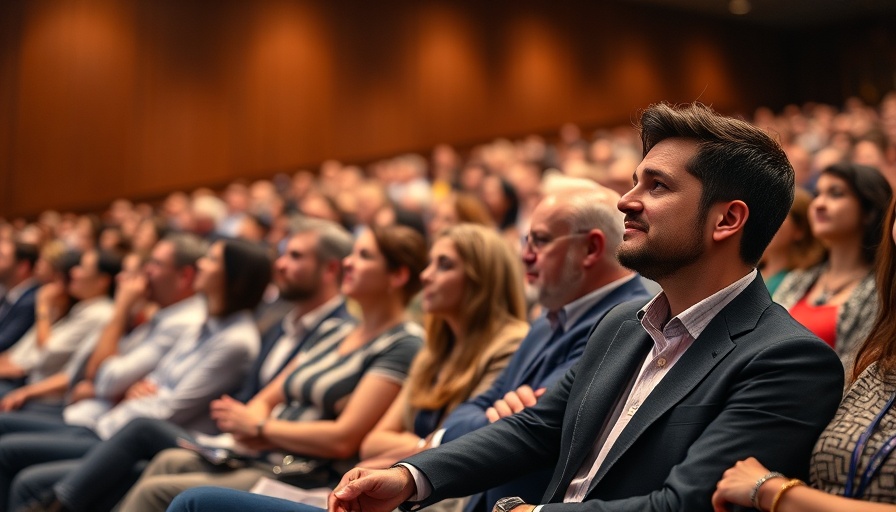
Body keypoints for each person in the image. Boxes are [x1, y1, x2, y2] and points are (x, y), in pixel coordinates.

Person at [324, 102, 845, 512]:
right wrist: (411, 476)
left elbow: (685, 505)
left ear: (726, 220)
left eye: (656, 186)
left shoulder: (786, 360)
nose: (625, 200)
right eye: (635, 180)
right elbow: (538, 427)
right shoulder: (623, 323)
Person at [164, 186, 655, 512]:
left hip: (460, 499)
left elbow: (528, 428)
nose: (525, 254)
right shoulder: (542, 323)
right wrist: (458, 431)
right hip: (426, 489)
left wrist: (441, 440)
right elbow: (475, 419)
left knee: (192, 500)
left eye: (540, 241)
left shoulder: (616, 321)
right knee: (171, 472)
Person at [27, 225, 425, 512]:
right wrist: (252, 421)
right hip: (259, 449)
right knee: (165, 461)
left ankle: (58, 504)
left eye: (364, 256)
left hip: (301, 468)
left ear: (398, 276)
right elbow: (265, 396)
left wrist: (260, 428)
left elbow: (344, 439)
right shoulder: (336, 329)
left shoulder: (403, 342)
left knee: (164, 489)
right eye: (351, 254)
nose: (349, 264)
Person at [0, 238, 269, 510]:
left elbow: (167, 408)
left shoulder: (234, 340)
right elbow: (134, 381)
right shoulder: (203, 324)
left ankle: (58, 503)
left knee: (24, 472)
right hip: (113, 423)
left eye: (212, 260)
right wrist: (135, 388)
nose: (201, 263)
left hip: (156, 439)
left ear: (235, 277)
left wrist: (134, 387)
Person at [712, 196, 896, 512]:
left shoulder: (864, 305)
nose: (821, 204)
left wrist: (775, 492)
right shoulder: (879, 353)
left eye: (837, 193)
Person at [356, 223, 529, 472]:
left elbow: (463, 444)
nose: (426, 275)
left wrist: (423, 444)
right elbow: (371, 443)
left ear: (481, 279)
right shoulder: (435, 349)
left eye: (444, 265)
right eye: (430, 263)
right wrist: (425, 444)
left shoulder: (511, 344)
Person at [774, 163, 892, 371]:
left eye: (835, 194)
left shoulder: (882, 291)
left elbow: (856, 374)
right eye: (817, 194)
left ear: (868, 211)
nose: (819, 203)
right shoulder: (798, 278)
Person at [0, 249, 120, 397]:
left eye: (82, 268)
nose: (74, 273)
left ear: (103, 281)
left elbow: (47, 352)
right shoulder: (83, 308)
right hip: (26, 383)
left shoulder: (99, 314)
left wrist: (43, 306)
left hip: (38, 391)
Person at [758, 187, 824, 295]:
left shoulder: (805, 281)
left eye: (775, 216)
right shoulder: (748, 272)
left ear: (800, 230)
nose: (763, 222)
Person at [0, 240, 40, 352]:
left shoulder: (31, 301)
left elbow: (4, 342)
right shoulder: (8, 290)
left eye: (1, 257)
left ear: (22, 266)